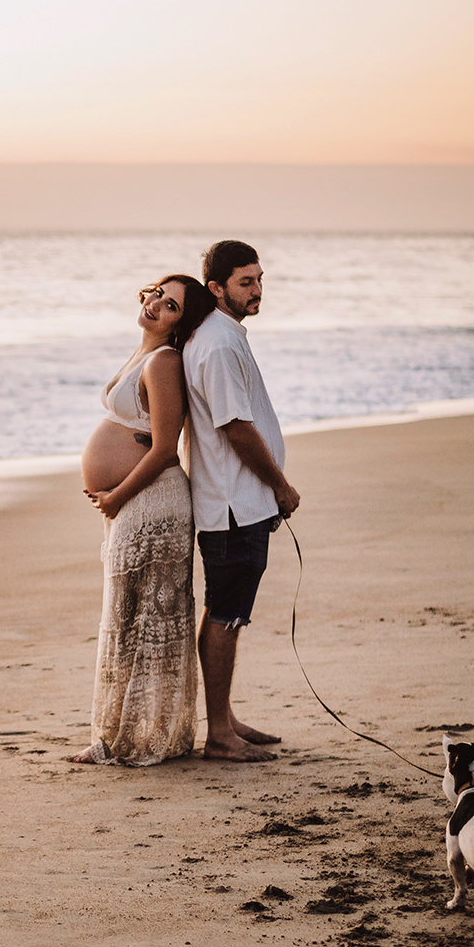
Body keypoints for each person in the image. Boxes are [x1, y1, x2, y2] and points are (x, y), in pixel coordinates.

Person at [70, 273, 218, 765]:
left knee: (149, 624)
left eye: (170, 304)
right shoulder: (145, 353)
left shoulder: (165, 361)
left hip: (153, 502)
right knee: (128, 618)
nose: (156, 304)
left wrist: (116, 497)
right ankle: (120, 737)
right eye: (156, 293)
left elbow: (162, 449)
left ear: (182, 323)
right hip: (134, 503)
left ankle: (148, 739)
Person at [180, 239, 298, 763]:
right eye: (245, 282)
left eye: (259, 279)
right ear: (216, 288)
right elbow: (235, 428)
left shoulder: (223, 336)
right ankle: (219, 734)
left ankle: (224, 719)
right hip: (234, 506)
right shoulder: (219, 344)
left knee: (229, 611)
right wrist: (280, 485)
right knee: (227, 613)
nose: (256, 291)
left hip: (237, 502)